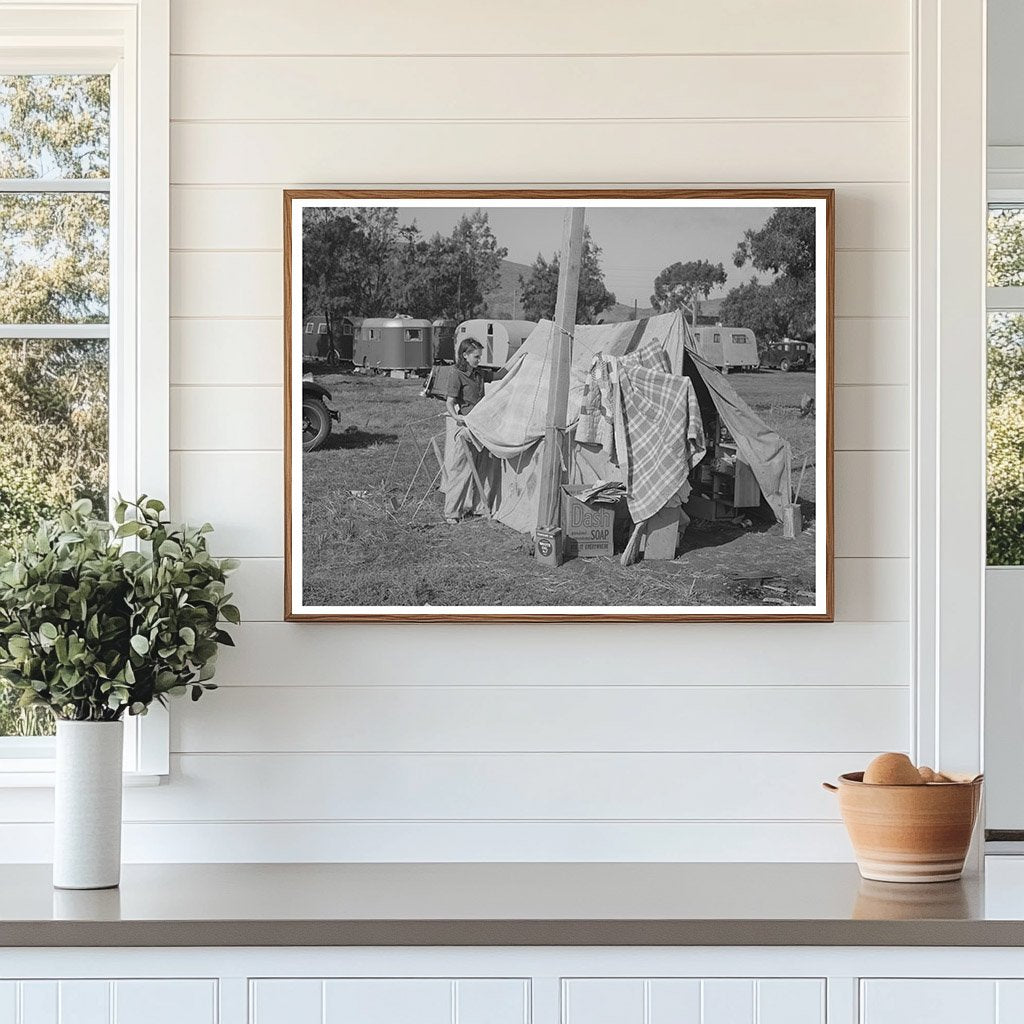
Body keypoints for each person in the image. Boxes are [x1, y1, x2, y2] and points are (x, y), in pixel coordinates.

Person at [442, 338, 494, 523]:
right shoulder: (456, 374)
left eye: (480, 356)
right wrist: (457, 417)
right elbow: (450, 401)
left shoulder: (478, 374)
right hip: (466, 428)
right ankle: (452, 512)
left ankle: (478, 507)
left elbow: (500, 375)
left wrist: (520, 359)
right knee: (461, 470)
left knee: (482, 468)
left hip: (481, 427)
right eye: (476, 356)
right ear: (465, 355)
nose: (478, 359)